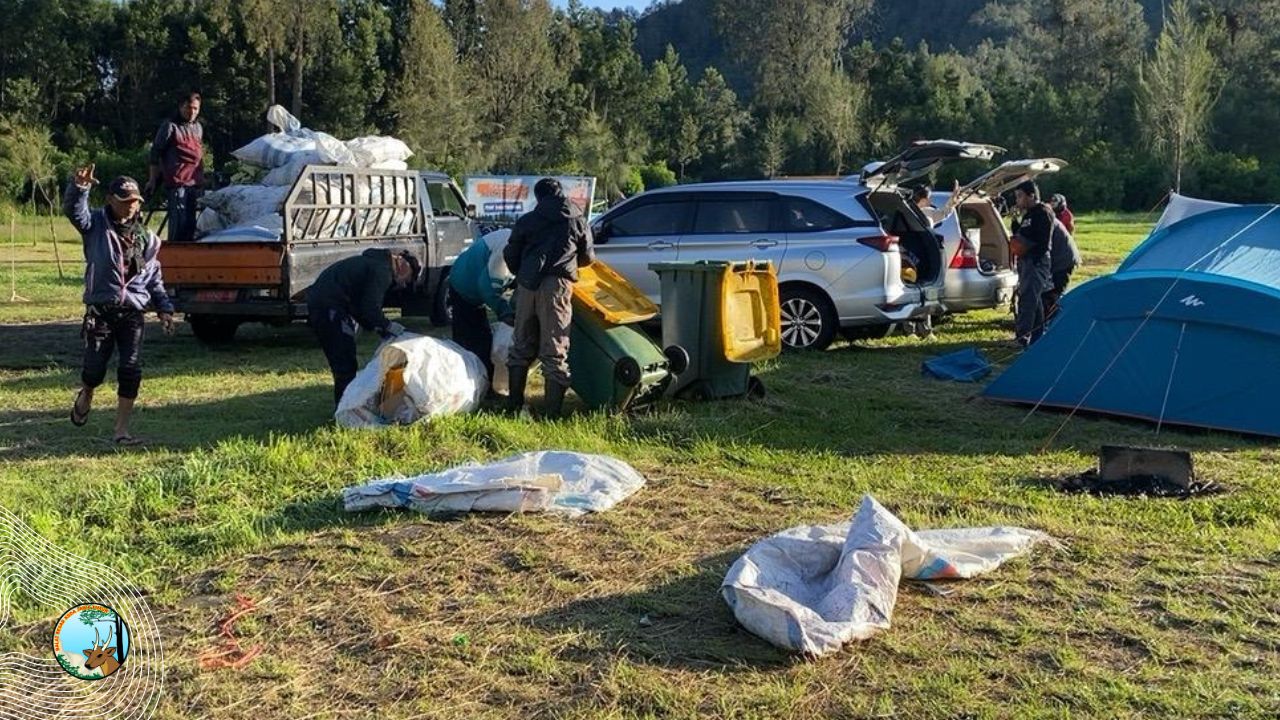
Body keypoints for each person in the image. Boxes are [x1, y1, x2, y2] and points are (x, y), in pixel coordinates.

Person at [64, 165, 177, 445]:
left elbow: (153, 277)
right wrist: (80, 188)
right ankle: (87, 393)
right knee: (94, 370)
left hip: (132, 312)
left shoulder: (146, 238)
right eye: (124, 201)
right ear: (110, 200)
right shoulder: (95, 225)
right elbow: (74, 212)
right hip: (101, 310)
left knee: (130, 369)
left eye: (135, 201)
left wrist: (164, 308)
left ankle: (121, 431)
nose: (130, 206)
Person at [503, 178, 594, 419]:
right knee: (555, 349)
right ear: (560, 193)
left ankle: (513, 405)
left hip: (527, 284)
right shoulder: (577, 219)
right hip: (558, 286)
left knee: (521, 344)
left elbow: (511, 253)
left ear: (538, 197)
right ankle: (551, 414)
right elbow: (588, 257)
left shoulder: (528, 220)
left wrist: (522, 272)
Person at [307, 249, 420, 405]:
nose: (403, 284)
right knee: (344, 361)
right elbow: (370, 308)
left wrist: (378, 327)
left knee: (344, 358)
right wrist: (388, 326)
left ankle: (346, 403)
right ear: (404, 267)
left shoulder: (373, 263)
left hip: (326, 302)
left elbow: (359, 306)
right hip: (330, 306)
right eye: (407, 279)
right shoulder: (382, 272)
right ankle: (345, 408)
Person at [447, 229, 515, 380]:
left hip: (467, 276)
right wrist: (505, 312)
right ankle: (477, 379)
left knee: (475, 337)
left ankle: (476, 376)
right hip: (464, 285)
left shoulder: (514, 241)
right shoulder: (505, 251)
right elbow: (487, 288)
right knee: (476, 341)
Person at [147, 92, 204, 243]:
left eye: (195, 108)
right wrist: (152, 179)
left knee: (191, 225)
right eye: (188, 108)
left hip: (194, 183)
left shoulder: (198, 128)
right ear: (180, 107)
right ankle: (175, 254)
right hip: (178, 183)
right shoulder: (170, 126)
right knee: (179, 224)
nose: (192, 112)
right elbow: (155, 153)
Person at [1010, 180, 1055, 347]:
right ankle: (1038, 337)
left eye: (1020, 196)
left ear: (1032, 196)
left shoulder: (1042, 213)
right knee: (1034, 301)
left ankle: (1022, 338)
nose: (1017, 200)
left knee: (1027, 299)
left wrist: (1033, 259)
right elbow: (1021, 233)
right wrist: (1015, 221)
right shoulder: (1028, 214)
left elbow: (1043, 242)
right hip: (1026, 260)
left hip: (1036, 260)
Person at [1042, 217, 1081, 321]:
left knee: (1054, 294)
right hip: (1062, 257)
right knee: (1051, 292)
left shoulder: (1042, 218)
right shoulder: (1045, 217)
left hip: (1063, 261)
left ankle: (1056, 319)